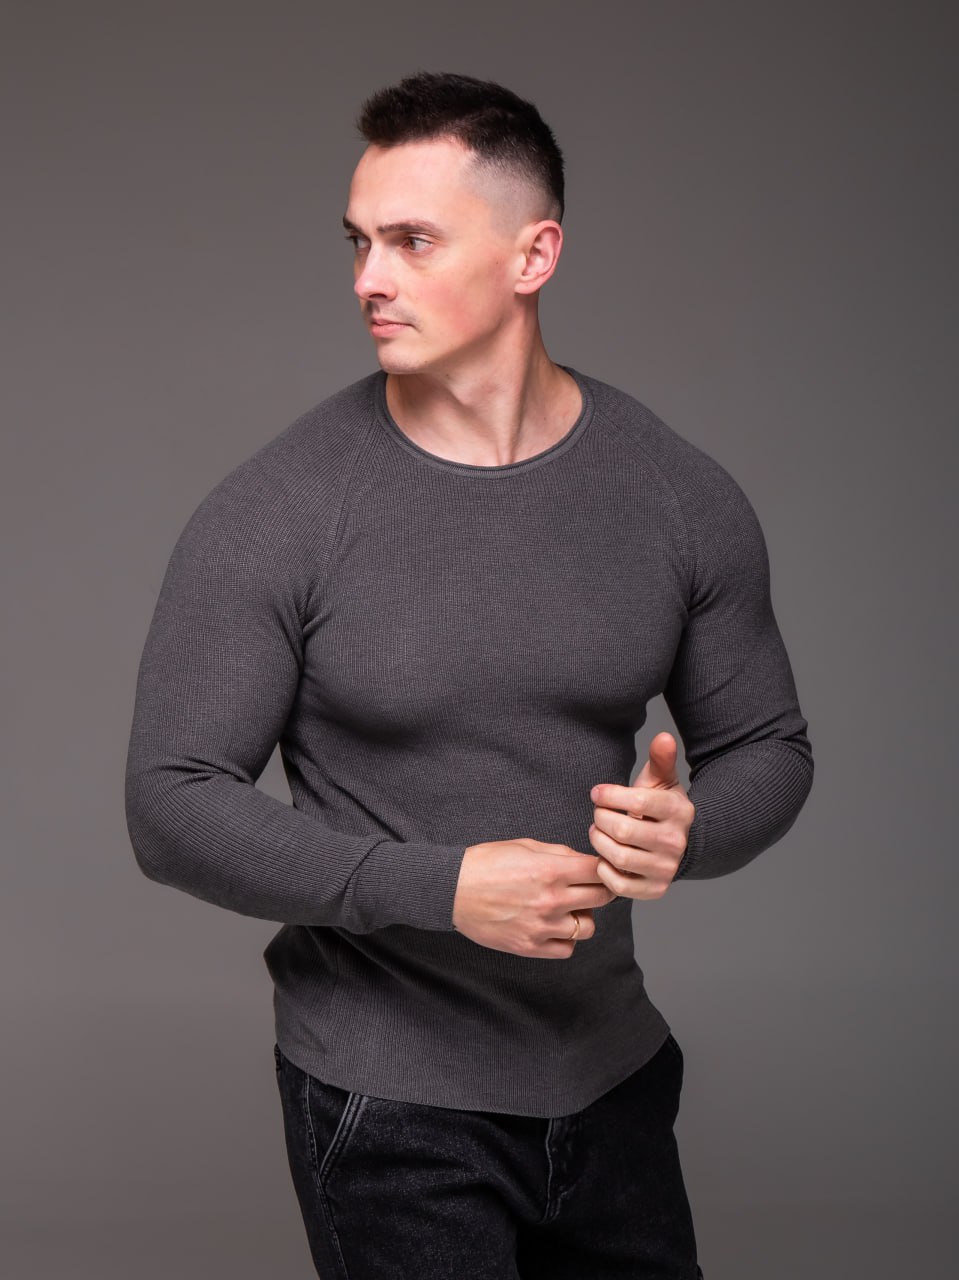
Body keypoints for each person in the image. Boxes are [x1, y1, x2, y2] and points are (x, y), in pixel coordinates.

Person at [124, 71, 813, 1279]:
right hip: (385, 1101)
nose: (367, 278)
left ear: (532, 254)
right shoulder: (277, 511)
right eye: (357, 241)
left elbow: (768, 746)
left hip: (611, 1076)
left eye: (411, 241)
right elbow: (169, 801)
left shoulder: (673, 494)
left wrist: (688, 830)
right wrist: (438, 886)